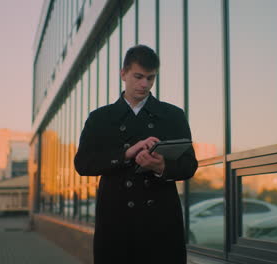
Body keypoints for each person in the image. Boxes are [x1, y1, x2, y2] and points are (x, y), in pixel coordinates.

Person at [74, 45, 198, 264]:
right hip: (116, 222)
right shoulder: (100, 118)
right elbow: (83, 164)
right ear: (123, 74)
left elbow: (189, 165)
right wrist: (126, 154)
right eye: (138, 77)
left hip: (161, 222)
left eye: (151, 78)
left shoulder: (173, 115)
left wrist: (160, 166)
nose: (145, 84)